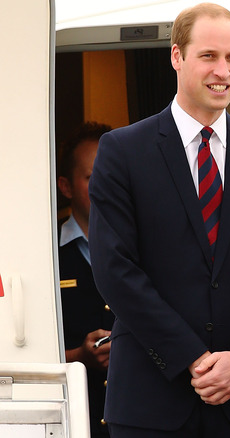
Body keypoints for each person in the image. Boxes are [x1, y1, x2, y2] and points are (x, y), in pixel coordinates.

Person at [88, 3, 230, 437]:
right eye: (208, 56)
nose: (223, 70)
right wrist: (193, 357)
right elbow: (115, 271)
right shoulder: (122, 152)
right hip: (149, 402)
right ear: (176, 57)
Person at [57, 121, 114, 437]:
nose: (105, 188)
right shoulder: (46, 255)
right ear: (65, 187)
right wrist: (78, 357)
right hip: (70, 417)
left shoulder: (147, 248)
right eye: (92, 178)